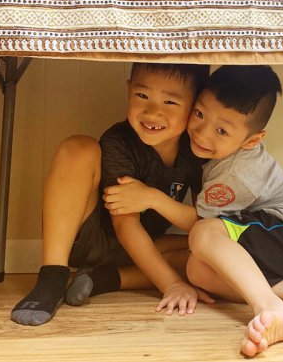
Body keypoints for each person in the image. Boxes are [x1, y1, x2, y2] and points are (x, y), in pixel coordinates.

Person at [103, 65, 283, 357]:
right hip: (282, 244)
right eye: (199, 114)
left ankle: (273, 309)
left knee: (204, 232)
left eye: (221, 130)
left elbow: (200, 222)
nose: (202, 133)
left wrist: (151, 198)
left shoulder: (236, 171)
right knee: (198, 271)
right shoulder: (214, 152)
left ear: (252, 140)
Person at [11, 62, 212, 326]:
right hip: (91, 238)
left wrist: (153, 198)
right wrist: (171, 284)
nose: (153, 112)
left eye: (170, 102)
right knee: (79, 147)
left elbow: (204, 223)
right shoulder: (120, 142)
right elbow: (125, 225)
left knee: (208, 253)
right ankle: (52, 275)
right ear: (128, 90)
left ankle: (105, 279)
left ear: (196, 106)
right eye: (142, 95)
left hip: (142, 249)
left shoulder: (196, 151)